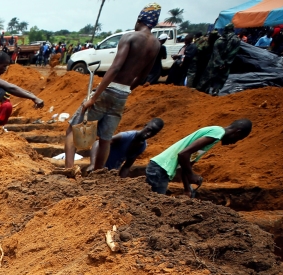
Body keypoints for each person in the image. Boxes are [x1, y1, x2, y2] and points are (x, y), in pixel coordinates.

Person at [64, 4, 163, 171]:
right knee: (105, 138)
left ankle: (69, 170)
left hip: (108, 90)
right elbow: (143, 76)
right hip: (122, 95)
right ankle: (99, 173)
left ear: (139, 19)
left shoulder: (130, 37)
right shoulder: (156, 45)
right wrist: (126, 89)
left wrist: (94, 98)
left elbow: (115, 68)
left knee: (72, 130)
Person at [145, 119, 251, 197]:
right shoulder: (217, 132)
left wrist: (187, 190)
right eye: (239, 138)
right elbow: (183, 154)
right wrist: (191, 175)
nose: (234, 142)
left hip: (161, 169)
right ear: (238, 132)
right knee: (154, 207)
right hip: (160, 169)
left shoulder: (213, 139)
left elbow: (186, 164)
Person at [89, 118, 164, 177]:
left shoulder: (142, 147)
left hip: (110, 174)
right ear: (145, 125)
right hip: (98, 170)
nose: (148, 134)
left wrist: (121, 182)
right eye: (148, 130)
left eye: (153, 133)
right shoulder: (126, 136)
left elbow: (126, 167)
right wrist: (93, 164)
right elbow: (98, 143)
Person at [202, 30, 242, 95]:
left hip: (217, 62)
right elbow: (232, 53)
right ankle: (214, 90)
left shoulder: (219, 41)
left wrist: (221, 62)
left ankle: (210, 90)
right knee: (219, 77)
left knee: (212, 76)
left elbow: (216, 52)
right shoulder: (235, 41)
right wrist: (224, 62)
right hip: (223, 62)